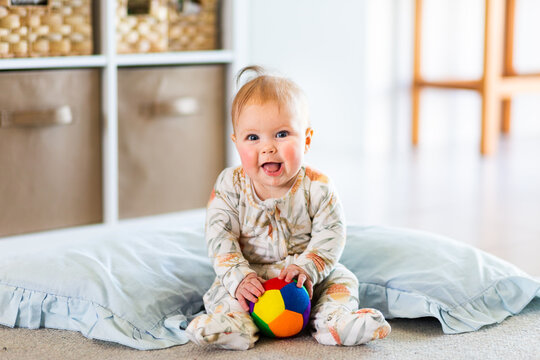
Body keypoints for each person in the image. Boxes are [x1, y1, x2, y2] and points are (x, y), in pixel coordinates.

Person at [185, 66, 390, 350]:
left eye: (281, 134)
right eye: (253, 138)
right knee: (222, 291)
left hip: (304, 277)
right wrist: (238, 277)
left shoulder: (318, 186)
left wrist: (308, 268)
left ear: (306, 138)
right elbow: (219, 237)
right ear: (236, 143)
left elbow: (331, 234)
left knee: (342, 280)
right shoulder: (229, 184)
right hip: (251, 275)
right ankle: (233, 324)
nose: (268, 147)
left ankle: (335, 322)